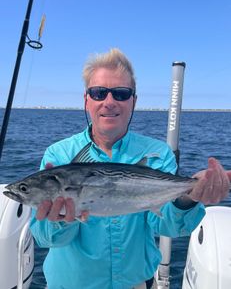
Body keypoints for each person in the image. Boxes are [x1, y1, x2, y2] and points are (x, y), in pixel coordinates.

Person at [30, 48, 231, 289]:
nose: (109, 102)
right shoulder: (58, 155)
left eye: (121, 94)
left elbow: (167, 225)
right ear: (86, 101)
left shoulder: (157, 153)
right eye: (98, 93)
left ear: (134, 101)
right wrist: (61, 220)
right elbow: (44, 238)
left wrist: (189, 196)